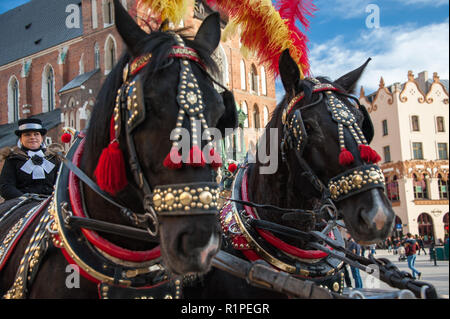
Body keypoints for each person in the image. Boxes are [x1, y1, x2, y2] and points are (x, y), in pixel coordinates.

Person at [0, 118, 62, 200]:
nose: (33, 137)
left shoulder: (53, 158)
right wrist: (23, 198)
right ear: (21, 139)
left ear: (41, 138)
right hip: (22, 203)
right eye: (27, 135)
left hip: (50, 203)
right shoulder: (13, 159)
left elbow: (62, 183)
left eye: (36, 134)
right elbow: (6, 187)